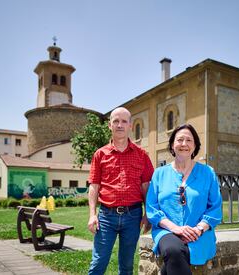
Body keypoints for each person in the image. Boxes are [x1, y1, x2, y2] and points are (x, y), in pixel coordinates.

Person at [146, 124, 222, 275]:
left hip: (199, 232)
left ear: (195, 146)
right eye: (179, 140)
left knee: (177, 253)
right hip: (166, 230)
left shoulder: (208, 172)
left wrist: (198, 229)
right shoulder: (159, 174)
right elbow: (152, 208)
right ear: (172, 145)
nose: (184, 144)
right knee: (173, 249)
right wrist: (176, 229)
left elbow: (215, 208)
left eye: (189, 140)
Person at [87, 107, 154, 275]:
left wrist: (147, 213)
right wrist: (92, 214)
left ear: (130, 125)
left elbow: (146, 186)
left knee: (126, 265)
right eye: (115, 121)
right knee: (98, 263)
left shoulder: (142, 154)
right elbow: (94, 186)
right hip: (106, 217)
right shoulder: (100, 154)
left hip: (133, 216)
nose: (119, 125)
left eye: (124, 121)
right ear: (109, 125)